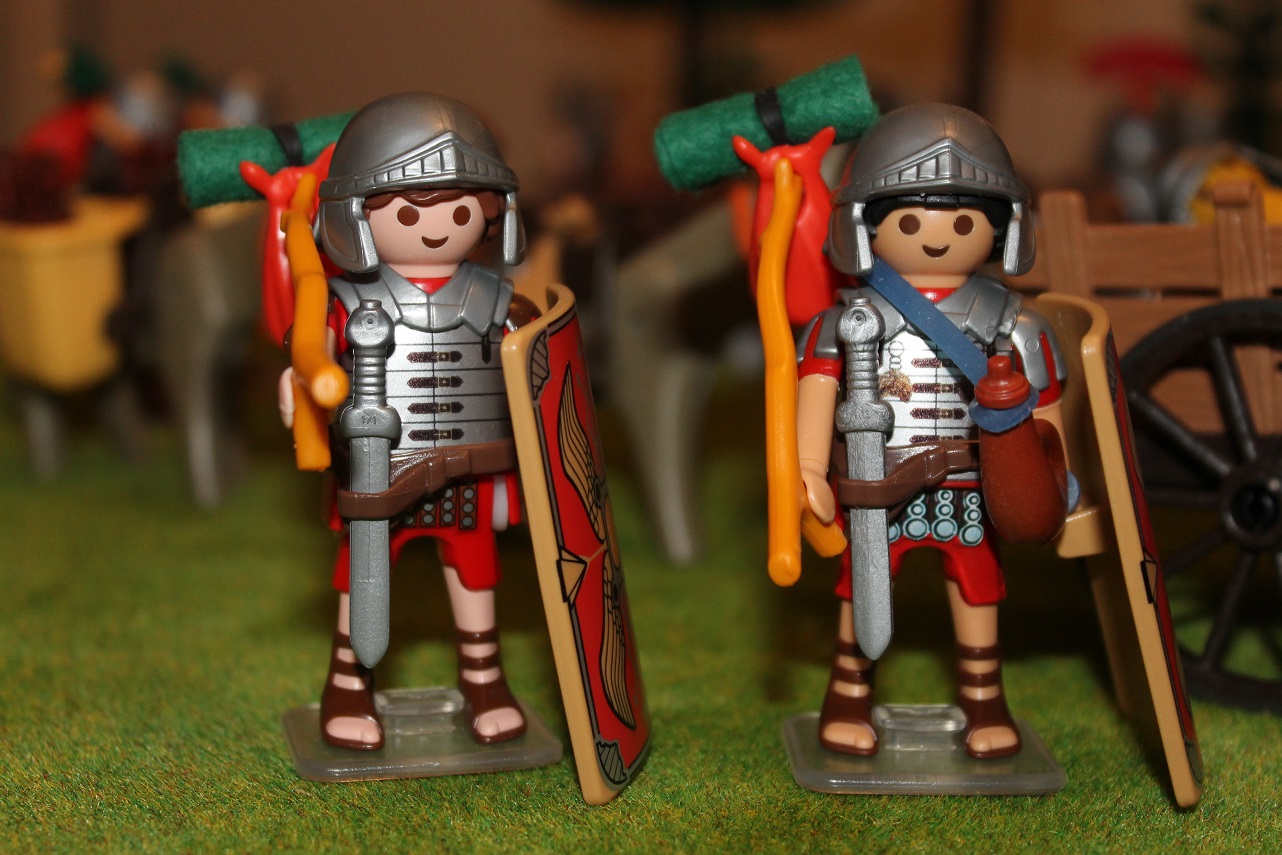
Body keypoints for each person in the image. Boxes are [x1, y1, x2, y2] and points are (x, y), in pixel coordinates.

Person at [795, 103, 1067, 759]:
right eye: (911, 220)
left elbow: (1046, 421)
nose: (940, 236)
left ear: (1001, 228)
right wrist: (807, 470)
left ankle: (985, 700)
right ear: (866, 225)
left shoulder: (1014, 325)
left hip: (976, 484)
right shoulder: (846, 322)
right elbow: (816, 395)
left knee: (977, 588)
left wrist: (1054, 482)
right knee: (863, 590)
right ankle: (848, 694)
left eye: (965, 220)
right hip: (876, 486)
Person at [292, 92, 537, 751]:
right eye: (408, 211)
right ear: (357, 215)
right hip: (380, 472)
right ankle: (349, 682)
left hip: (473, 471)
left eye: (458, 210)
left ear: (490, 213)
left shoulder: (501, 303)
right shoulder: (345, 303)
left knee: (475, 571)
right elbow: (311, 354)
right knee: (363, 577)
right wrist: (301, 383)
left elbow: (538, 380)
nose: (435, 228)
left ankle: (485, 679)